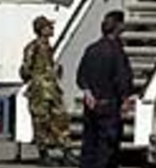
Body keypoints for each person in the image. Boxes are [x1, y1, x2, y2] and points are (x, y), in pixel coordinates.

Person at [76, 11, 134, 168]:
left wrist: (87, 92)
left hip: (91, 105)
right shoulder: (116, 51)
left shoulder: (91, 49)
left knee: (89, 146)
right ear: (118, 27)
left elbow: (81, 75)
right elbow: (122, 77)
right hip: (109, 105)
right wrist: (125, 99)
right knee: (107, 149)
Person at [20, 15, 75, 166]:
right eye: (48, 27)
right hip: (40, 90)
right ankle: (44, 154)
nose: (52, 29)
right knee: (41, 122)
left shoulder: (48, 47)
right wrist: (36, 79)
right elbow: (25, 69)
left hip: (51, 89)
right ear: (41, 29)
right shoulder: (33, 47)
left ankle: (66, 151)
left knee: (60, 119)